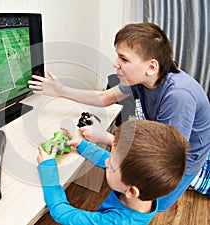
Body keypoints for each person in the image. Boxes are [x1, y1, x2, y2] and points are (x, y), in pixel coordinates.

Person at [29, 22, 210, 210]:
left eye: (124, 59)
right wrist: (60, 91)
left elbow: (164, 158)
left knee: (150, 206)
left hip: (180, 161)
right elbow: (104, 97)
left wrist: (106, 137)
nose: (115, 63)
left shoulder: (178, 97)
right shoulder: (143, 79)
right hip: (163, 146)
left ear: (151, 66)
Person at [37, 120, 188, 224]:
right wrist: (81, 144)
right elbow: (107, 159)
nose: (107, 161)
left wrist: (47, 168)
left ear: (131, 191)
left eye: (112, 165)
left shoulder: (115, 222)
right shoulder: (146, 191)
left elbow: (62, 213)